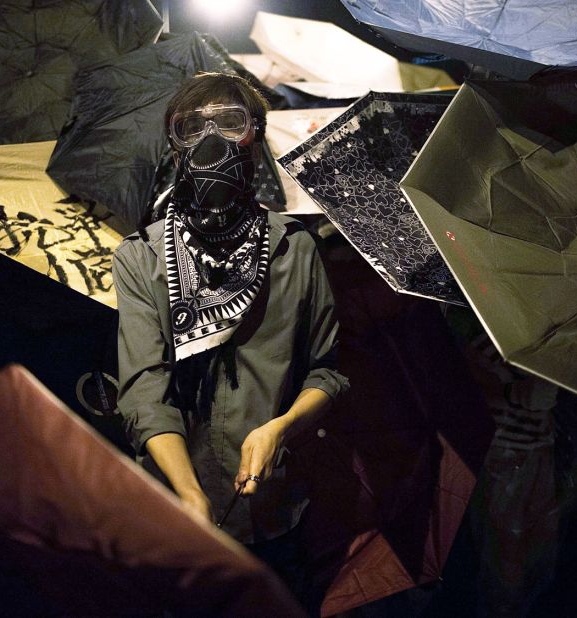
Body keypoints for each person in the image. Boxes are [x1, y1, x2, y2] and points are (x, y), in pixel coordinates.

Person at [112, 72, 349, 600]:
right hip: (176, 511)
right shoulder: (143, 257)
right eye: (193, 126)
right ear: (174, 143)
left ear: (255, 139)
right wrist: (190, 494)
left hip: (275, 508)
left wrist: (280, 428)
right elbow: (144, 391)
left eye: (230, 123)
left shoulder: (294, 249)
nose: (211, 139)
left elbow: (327, 370)